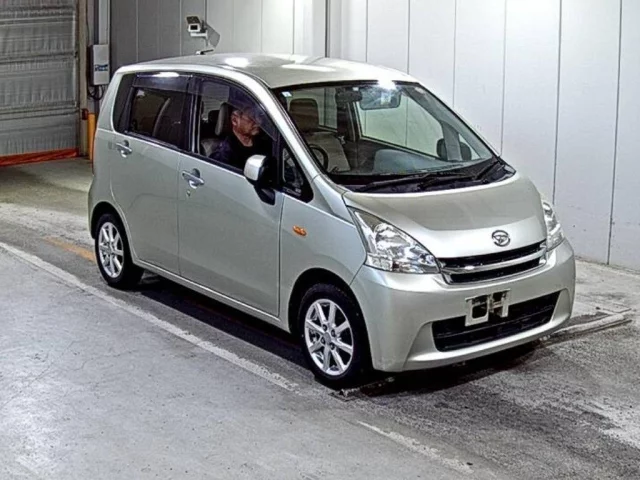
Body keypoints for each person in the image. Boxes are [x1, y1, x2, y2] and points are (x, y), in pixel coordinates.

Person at [211, 99, 271, 171]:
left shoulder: (266, 144)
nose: (259, 121)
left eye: (260, 116)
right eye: (252, 117)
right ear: (235, 120)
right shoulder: (224, 155)